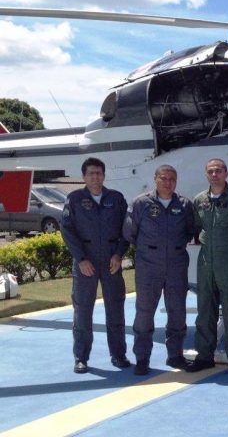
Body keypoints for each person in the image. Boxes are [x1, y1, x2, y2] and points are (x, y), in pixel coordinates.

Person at [122, 165, 195, 375]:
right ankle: (142, 358)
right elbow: (130, 232)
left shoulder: (184, 204)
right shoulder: (141, 203)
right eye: (164, 178)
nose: (168, 182)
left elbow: (191, 231)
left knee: (177, 312)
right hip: (148, 265)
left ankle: (175, 356)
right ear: (155, 179)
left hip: (176, 264)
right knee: (144, 313)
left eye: (172, 179)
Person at [61, 157, 130, 374]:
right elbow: (67, 231)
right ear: (84, 176)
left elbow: (126, 231)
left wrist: (119, 255)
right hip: (86, 263)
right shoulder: (74, 199)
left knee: (116, 309)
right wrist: (81, 259)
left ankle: (118, 354)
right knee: (82, 311)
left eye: (99, 173)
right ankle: (81, 357)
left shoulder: (116, 199)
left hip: (111, 262)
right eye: (91, 173)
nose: (95, 177)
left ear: (104, 175)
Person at [187, 159, 228, 376]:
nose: (214, 174)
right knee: (205, 310)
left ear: (227, 173)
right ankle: (204, 356)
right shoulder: (199, 200)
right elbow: (197, 228)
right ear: (206, 175)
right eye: (210, 171)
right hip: (206, 260)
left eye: (218, 171)